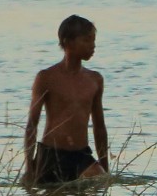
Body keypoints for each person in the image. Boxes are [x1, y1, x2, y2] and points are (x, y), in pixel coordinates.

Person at [23, 15, 109, 185]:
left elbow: (99, 127)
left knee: (98, 180)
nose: (93, 46)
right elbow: (32, 124)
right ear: (68, 42)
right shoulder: (46, 78)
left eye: (93, 40)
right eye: (86, 40)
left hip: (81, 155)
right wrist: (29, 167)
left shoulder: (95, 80)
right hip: (50, 154)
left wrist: (105, 166)